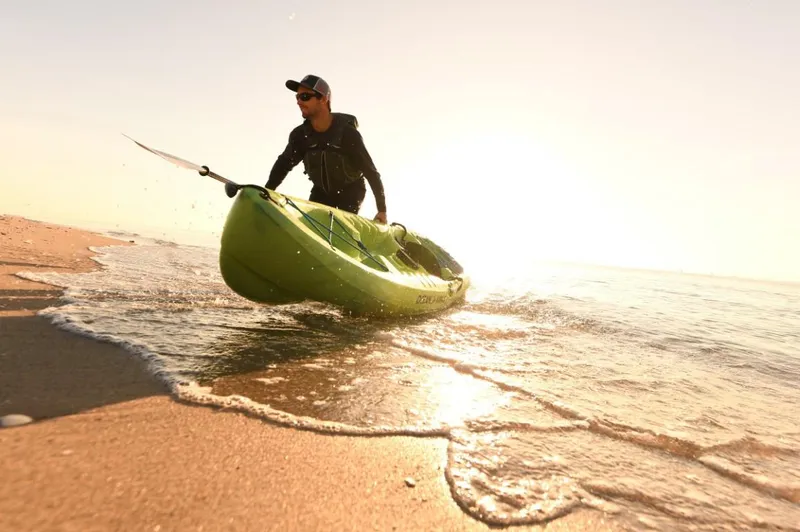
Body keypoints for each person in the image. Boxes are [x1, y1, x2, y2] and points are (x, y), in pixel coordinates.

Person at [265, 74, 388, 224]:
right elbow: (283, 165)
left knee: (339, 226)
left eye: (304, 97)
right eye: (297, 98)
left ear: (323, 99)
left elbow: (370, 172)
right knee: (313, 225)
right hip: (321, 191)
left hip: (351, 191)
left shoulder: (347, 134)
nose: (298, 102)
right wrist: (267, 192)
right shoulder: (300, 136)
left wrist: (382, 210)